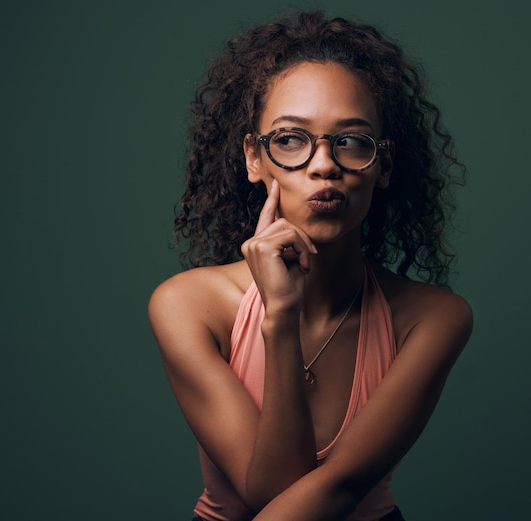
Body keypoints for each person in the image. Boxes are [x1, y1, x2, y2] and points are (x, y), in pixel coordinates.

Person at [148, 10, 472, 521]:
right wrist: (280, 315)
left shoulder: (432, 317)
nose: (324, 164)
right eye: (291, 139)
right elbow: (268, 492)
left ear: (382, 165)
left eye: (352, 141)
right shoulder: (188, 305)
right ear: (255, 159)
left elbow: (337, 490)